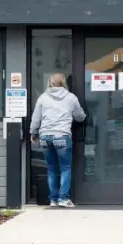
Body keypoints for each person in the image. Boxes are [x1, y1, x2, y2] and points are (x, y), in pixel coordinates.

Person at [30, 73, 86, 207]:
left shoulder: (42, 98)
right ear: (63, 82)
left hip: (45, 136)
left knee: (51, 169)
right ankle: (63, 199)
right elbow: (80, 116)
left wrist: (33, 133)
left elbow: (36, 119)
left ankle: (53, 200)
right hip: (62, 135)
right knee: (65, 168)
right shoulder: (71, 98)